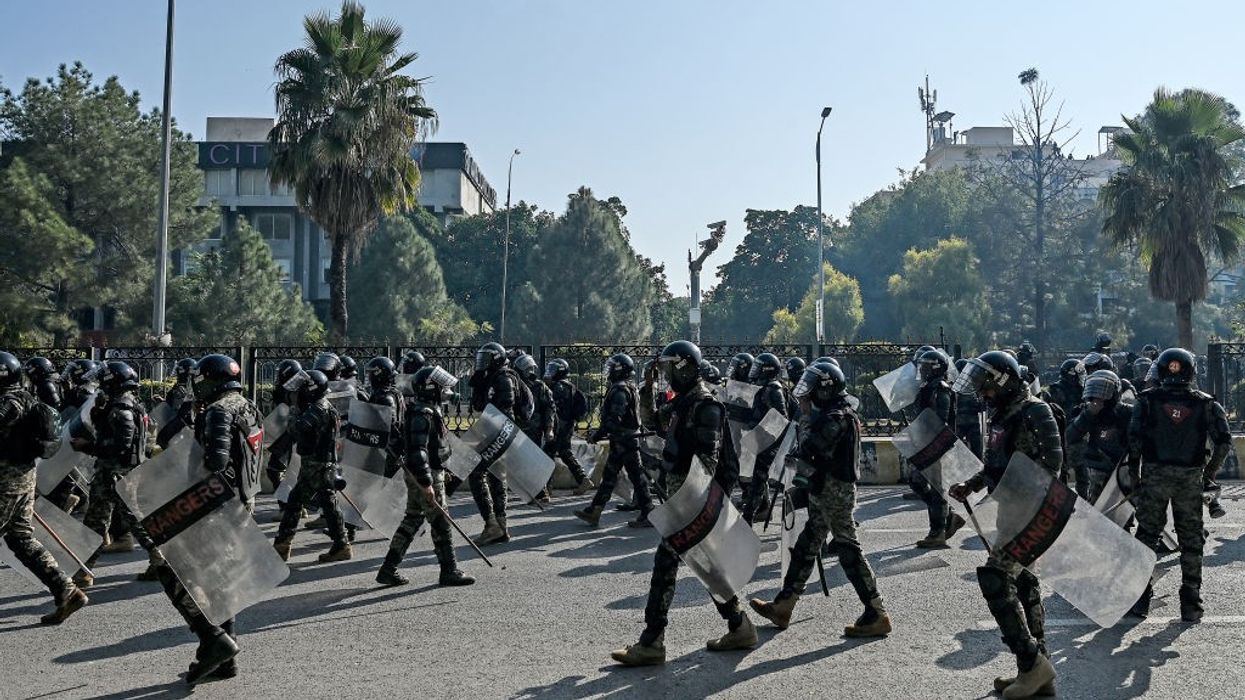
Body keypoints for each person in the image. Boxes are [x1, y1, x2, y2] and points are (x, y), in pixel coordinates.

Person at [610, 341, 757, 666]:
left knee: (666, 565)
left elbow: (707, 462)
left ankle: (652, 642)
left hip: (693, 501)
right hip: (682, 498)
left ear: (684, 367)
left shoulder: (706, 405)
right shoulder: (684, 403)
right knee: (707, 567)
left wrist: (681, 491)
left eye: (667, 370)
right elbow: (652, 422)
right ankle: (740, 626)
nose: (665, 376)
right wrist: (647, 390)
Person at [949, 350, 1062, 699]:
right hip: (1007, 511)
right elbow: (997, 464)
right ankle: (1036, 670)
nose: (982, 394)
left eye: (986, 386)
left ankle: (1032, 663)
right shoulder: (1002, 416)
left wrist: (1027, 501)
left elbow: (1053, 464)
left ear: (1004, 381)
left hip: (1029, 514)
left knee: (996, 580)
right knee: (1025, 583)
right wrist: (973, 484)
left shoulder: (1035, 411)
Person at [749, 360, 891, 637]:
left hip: (834, 491)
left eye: (810, 391)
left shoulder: (834, 418)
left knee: (848, 549)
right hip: (823, 488)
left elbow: (811, 447)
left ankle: (877, 612)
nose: (805, 396)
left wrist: (804, 417)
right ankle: (784, 605)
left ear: (824, 390)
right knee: (806, 547)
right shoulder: (831, 412)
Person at [171, 353, 263, 683]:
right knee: (220, 577)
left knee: (188, 574)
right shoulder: (248, 405)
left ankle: (216, 646)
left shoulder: (219, 411)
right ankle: (225, 656)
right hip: (244, 501)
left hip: (216, 506)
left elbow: (216, 461)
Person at [1127, 348, 1231, 623]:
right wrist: (1209, 474)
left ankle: (1140, 599)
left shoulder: (1146, 400)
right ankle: (1191, 602)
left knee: (1147, 536)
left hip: (1154, 476)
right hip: (1189, 477)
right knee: (1191, 540)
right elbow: (1223, 440)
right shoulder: (1206, 403)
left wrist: (1134, 476)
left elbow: (1134, 440)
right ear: (1192, 371)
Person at [0, 351, 88, 625]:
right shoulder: (25, 398)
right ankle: (65, 590)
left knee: (22, 538)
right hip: (23, 478)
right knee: (21, 539)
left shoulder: (8, 403)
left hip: (5, 481)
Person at [375, 363, 475, 588]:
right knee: (441, 522)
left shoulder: (425, 409)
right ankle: (449, 571)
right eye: (442, 387)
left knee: (412, 519)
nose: (446, 391)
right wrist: (427, 482)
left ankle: (387, 569)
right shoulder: (423, 413)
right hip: (425, 474)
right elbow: (418, 451)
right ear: (431, 388)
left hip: (424, 473)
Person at [76, 361, 149, 576]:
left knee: (127, 521)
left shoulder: (122, 408)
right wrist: (99, 412)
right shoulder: (124, 404)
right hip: (116, 472)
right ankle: (83, 570)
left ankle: (160, 559)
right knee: (99, 520)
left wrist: (87, 447)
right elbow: (108, 432)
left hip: (115, 473)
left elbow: (120, 446)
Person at [272, 369, 351, 563]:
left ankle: (282, 545)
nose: (295, 395)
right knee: (325, 503)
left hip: (318, 465)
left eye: (299, 391)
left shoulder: (318, 409)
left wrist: (293, 411)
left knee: (297, 502)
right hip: (318, 463)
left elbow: (297, 430)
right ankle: (341, 544)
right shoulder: (319, 406)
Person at [575, 354, 653, 528]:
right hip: (622, 440)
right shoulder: (626, 387)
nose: (608, 370)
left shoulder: (620, 390)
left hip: (625, 440)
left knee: (637, 477)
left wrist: (597, 434)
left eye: (612, 367)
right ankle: (595, 510)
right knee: (610, 475)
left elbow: (614, 419)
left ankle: (649, 512)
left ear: (619, 370)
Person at [468, 342, 524, 545]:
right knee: (496, 476)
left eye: (486, 358)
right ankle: (500, 527)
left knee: (475, 473)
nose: (482, 362)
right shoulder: (490, 378)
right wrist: (477, 383)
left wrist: (495, 437)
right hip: (492, 432)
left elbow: (505, 410)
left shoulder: (504, 379)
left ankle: (492, 525)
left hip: (500, 432)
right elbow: (478, 406)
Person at [910, 349, 964, 548]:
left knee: (936, 488)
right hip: (925, 443)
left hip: (937, 444)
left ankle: (937, 532)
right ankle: (949, 516)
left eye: (925, 366)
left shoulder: (941, 388)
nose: (921, 370)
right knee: (916, 481)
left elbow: (940, 419)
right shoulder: (927, 387)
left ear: (935, 368)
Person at [1065, 370, 1130, 502]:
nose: (1097, 398)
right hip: (1093, 468)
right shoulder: (1083, 411)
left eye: (1102, 394)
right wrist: (1088, 414)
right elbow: (1069, 437)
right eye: (1094, 394)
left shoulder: (1127, 412)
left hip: (1119, 471)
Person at [741, 353, 790, 524]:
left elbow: (781, 418)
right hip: (763, 441)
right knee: (759, 481)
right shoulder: (766, 387)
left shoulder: (773, 389)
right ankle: (751, 514)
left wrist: (766, 442)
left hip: (769, 443)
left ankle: (748, 517)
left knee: (760, 480)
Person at [543, 358, 595, 495]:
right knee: (565, 453)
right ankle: (583, 479)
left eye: (553, 370)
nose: (550, 373)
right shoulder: (569, 386)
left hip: (559, 426)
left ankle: (546, 489)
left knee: (547, 454)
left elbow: (555, 408)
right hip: (567, 426)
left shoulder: (559, 387)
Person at [513, 352, 555, 503]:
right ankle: (532, 490)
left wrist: (549, 428)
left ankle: (541, 492)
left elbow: (550, 408)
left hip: (535, 430)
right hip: (518, 428)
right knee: (521, 461)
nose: (529, 372)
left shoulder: (539, 386)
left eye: (530, 369)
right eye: (526, 369)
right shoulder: (514, 385)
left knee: (534, 460)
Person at [954, 359, 985, 459]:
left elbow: (982, 406)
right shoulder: (957, 387)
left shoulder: (973, 387)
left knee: (976, 452)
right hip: (962, 424)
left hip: (969, 424)